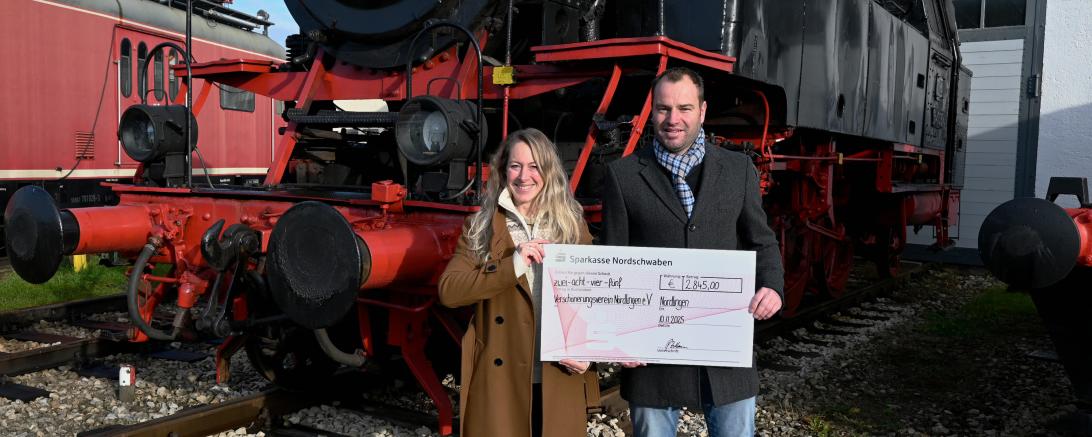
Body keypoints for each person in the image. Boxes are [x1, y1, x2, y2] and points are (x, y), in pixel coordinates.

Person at [600, 67, 785, 437]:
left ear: (702, 111)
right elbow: (612, 262)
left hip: (724, 349)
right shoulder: (622, 176)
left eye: (684, 108)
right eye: (664, 109)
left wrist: (773, 286)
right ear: (651, 113)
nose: (673, 119)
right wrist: (616, 336)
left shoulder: (738, 170)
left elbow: (760, 239)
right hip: (652, 354)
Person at [438, 128, 600, 437]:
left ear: (548, 172)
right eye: (515, 165)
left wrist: (589, 355)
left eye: (534, 166)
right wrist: (511, 265)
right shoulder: (481, 226)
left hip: (559, 375)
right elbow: (449, 291)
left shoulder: (571, 224)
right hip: (502, 381)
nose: (524, 176)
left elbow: (593, 301)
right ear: (503, 170)